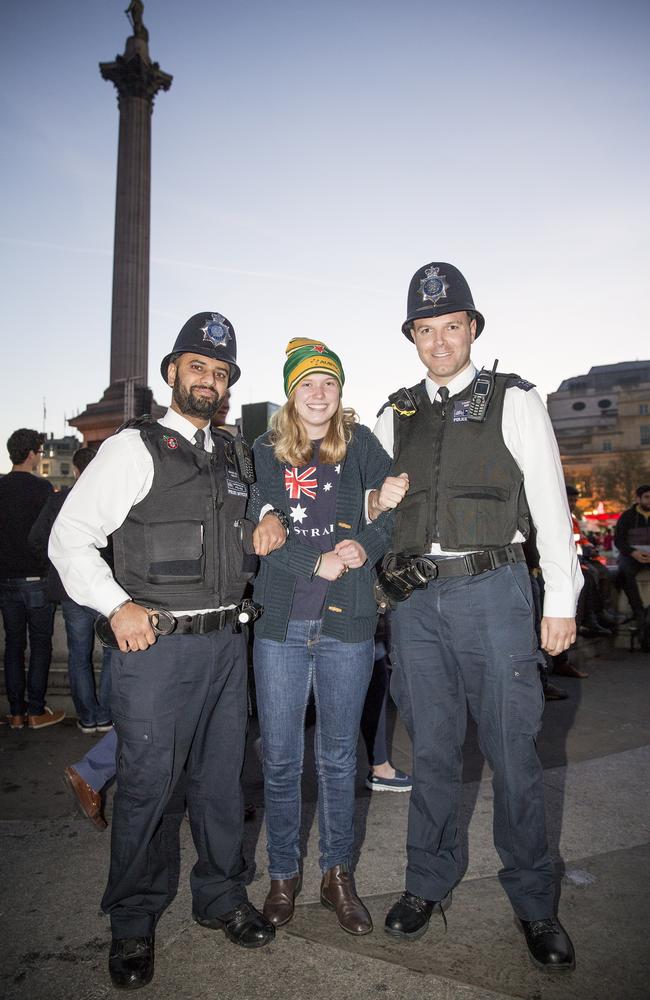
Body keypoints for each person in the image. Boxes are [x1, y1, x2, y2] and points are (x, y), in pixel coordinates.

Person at [49, 312, 286, 990]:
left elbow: (247, 513)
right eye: (198, 367)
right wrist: (115, 605)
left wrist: (264, 517)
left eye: (220, 372)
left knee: (220, 787)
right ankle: (131, 923)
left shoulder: (234, 452)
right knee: (150, 790)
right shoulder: (133, 449)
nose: (209, 380)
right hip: (156, 649)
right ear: (172, 373)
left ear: (229, 385)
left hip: (224, 647)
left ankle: (221, 896)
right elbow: (69, 539)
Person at [368, 262, 583, 971]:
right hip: (417, 604)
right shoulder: (390, 413)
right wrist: (374, 506)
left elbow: (551, 504)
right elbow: (367, 519)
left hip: (493, 595)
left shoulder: (514, 400)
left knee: (514, 753)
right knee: (431, 750)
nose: (438, 342)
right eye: (424, 330)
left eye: (450, 327)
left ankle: (534, 902)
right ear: (412, 337)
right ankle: (427, 882)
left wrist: (560, 599)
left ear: (471, 329)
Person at [247, 338, 396, 936]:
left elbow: (392, 510)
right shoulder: (260, 449)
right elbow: (257, 530)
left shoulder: (361, 444)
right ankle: (283, 873)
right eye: (306, 383)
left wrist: (370, 542)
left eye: (328, 383)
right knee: (281, 760)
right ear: (290, 392)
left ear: (339, 391)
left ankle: (338, 874)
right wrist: (315, 562)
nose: (317, 392)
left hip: (347, 624)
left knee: (338, 759)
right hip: (281, 625)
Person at [29, 447, 113, 733]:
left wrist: (56, 567)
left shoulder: (59, 500)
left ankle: (89, 716)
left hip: (72, 588)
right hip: (106, 590)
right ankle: (108, 714)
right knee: (113, 653)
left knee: (79, 654)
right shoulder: (112, 500)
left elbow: (37, 537)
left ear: (75, 470)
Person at [0, 428, 64, 730]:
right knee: (40, 646)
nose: (41, 457)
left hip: (6, 580)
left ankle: (15, 713)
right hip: (37, 579)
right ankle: (37, 711)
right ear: (31, 455)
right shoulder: (42, 489)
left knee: (13, 645)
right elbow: (50, 535)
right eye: (40, 452)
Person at [614, 484, 650, 628]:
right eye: (646, 497)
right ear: (638, 499)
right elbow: (619, 540)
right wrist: (633, 552)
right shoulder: (627, 516)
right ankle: (638, 610)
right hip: (632, 555)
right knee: (623, 573)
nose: (649, 501)